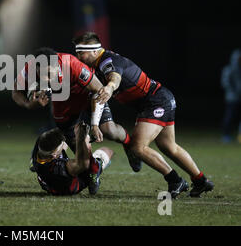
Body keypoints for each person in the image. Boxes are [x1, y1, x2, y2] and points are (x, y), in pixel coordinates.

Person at [73, 32, 214, 198]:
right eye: (77, 52)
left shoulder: (107, 61)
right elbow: (96, 95)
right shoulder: (96, 65)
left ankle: (175, 180)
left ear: (95, 51)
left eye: (82, 52)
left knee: (137, 147)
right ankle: (201, 181)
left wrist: (110, 87)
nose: (78, 56)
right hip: (160, 98)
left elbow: (115, 77)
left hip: (155, 101)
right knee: (169, 147)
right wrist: (95, 124)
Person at [12, 47, 142, 172]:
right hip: (63, 102)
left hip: (87, 96)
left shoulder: (72, 65)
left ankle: (128, 143)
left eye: (49, 74)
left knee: (109, 130)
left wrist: (95, 124)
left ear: (58, 66)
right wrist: (29, 104)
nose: (45, 79)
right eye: (42, 74)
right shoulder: (30, 68)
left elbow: (98, 91)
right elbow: (16, 92)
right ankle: (93, 170)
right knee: (79, 151)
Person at [33, 121, 114, 196]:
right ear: (54, 155)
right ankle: (93, 176)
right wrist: (81, 138)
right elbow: (83, 164)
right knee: (104, 151)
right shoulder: (58, 168)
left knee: (69, 136)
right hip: (70, 186)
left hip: (48, 182)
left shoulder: (41, 143)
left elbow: (59, 135)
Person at [221, 49, 241, 143]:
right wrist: (234, 91)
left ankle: (239, 136)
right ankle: (226, 135)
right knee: (229, 116)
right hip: (232, 98)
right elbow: (225, 83)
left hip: (239, 97)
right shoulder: (229, 69)